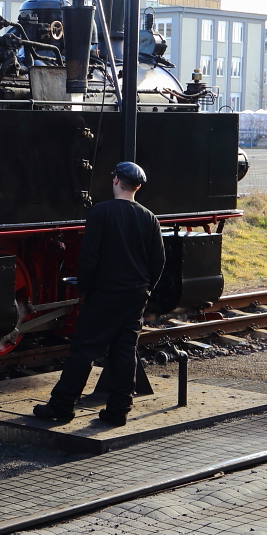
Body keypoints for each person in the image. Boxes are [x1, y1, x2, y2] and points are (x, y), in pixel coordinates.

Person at [32, 161, 166, 427]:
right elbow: (158, 261)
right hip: (135, 294)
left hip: (104, 293)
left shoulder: (100, 212)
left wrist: (84, 290)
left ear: (115, 181)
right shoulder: (149, 217)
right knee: (125, 352)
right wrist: (146, 287)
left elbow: (89, 257)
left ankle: (62, 406)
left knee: (83, 350)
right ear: (137, 187)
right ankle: (118, 411)